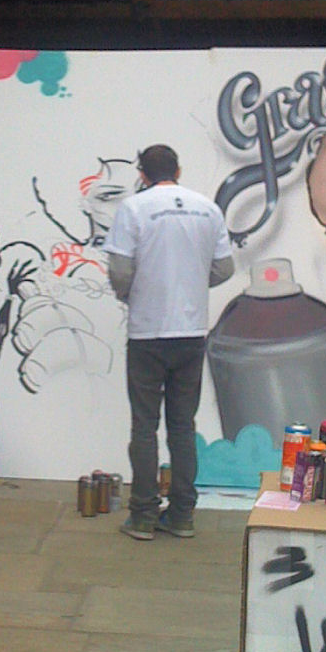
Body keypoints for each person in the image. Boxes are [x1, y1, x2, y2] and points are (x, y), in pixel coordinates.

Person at [104, 145, 234, 540]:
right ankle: (181, 516)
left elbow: (119, 270)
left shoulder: (133, 208)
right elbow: (224, 268)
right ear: (178, 170)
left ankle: (143, 515)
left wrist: (131, 294)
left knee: (145, 427)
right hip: (191, 333)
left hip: (147, 333)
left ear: (142, 174)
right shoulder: (207, 209)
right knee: (182, 426)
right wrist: (192, 282)